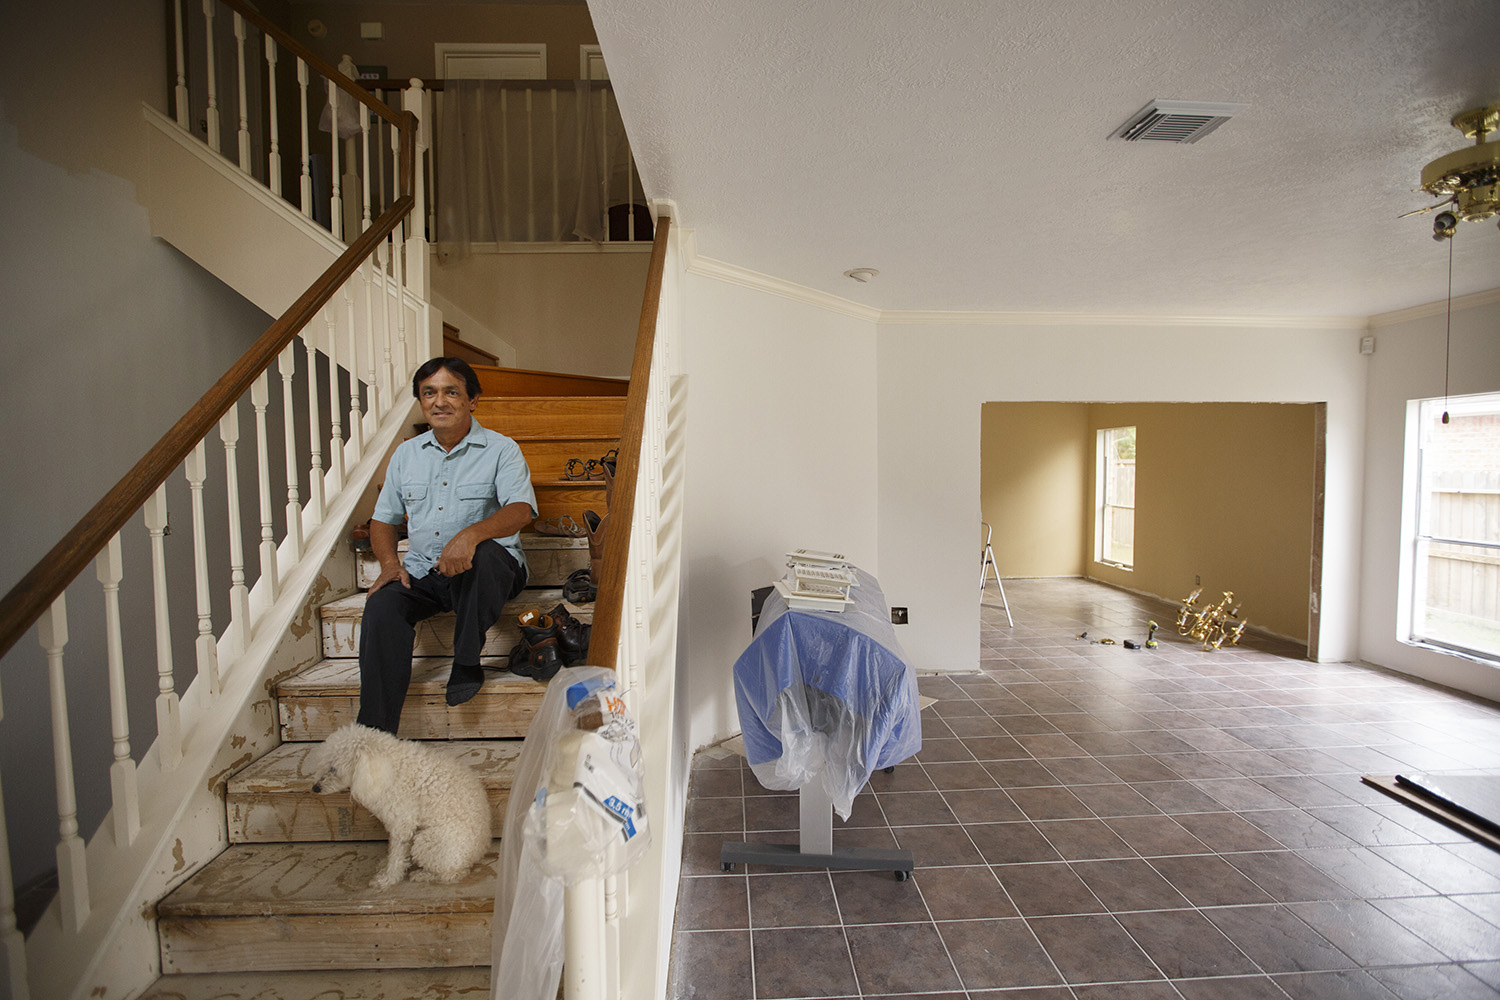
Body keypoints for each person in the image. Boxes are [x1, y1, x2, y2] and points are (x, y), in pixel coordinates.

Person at [357, 357, 537, 734]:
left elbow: (521, 510)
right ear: (421, 403)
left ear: (472, 400)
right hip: (425, 571)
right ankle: (374, 733)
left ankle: (467, 659)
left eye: (451, 392)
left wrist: (469, 536)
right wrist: (390, 564)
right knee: (382, 605)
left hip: (485, 572)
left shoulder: (501, 449)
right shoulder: (407, 454)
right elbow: (383, 520)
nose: (439, 401)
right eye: (429, 393)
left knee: (486, 554)